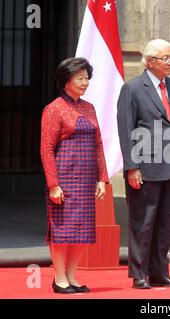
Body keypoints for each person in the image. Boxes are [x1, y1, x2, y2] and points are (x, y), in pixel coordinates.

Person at [117, 39, 170, 289]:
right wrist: (132, 166)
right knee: (143, 221)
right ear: (150, 61)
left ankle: (160, 271)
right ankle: (139, 273)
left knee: (164, 222)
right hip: (145, 167)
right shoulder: (133, 88)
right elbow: (126, 129)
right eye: (166, 58)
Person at [40, 57, 108, 294]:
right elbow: (46, 149)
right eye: (79, 78)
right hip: (65, 179)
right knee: (63, 230)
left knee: (82, 229)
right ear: (66, 81)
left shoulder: (89, 108)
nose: (85, 82)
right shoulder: (54, 108)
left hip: (87, 178)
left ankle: (72, 276)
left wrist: (102, 178)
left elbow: (99, 145)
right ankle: (59, 279)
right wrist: (53, 184)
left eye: (87, 77)